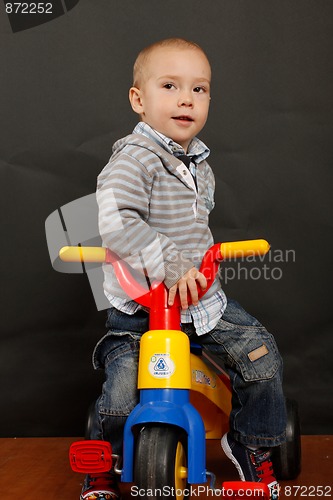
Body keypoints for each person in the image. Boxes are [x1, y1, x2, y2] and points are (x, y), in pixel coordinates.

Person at [81, 38, 286, 500]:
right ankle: (104, 466)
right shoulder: (134, 160)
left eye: (200, 89)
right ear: (139, 99)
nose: (186, 99)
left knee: (261, 358)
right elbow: (117, 221)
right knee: (118, 398)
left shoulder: (198, 164)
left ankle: (251, 443)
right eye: (170, 86)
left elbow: (196, 232)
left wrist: (204, 260)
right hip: (142, 310)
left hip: (200, 304)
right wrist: (171, 264)